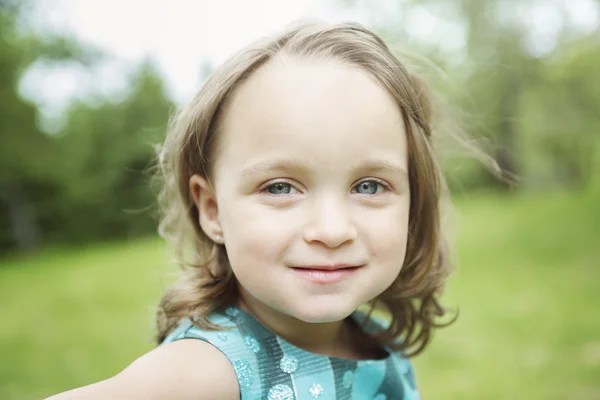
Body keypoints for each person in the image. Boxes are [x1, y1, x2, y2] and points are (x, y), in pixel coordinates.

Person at [48, 20, 458, 400]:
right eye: (280, 188)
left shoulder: (375, 340)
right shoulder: (206, 371)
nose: (332, 230)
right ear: (212, 210)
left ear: (413, 200)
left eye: (369, 186)